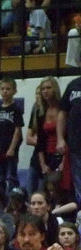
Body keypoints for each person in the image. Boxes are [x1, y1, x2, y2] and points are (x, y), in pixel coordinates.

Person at [0, 77, 24, 193]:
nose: (5, 91)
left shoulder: (16, 109)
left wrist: (12, 148)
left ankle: (13, 200)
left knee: (11, 177)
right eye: (2, 89)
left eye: (8, 89)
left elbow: (18, 130)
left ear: (14, 91)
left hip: (9, 149)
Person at [57, 70, 81, 207]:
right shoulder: (73, 85)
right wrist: (60, 138)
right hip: (76, 144)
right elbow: (62, 113)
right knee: (79, 182)